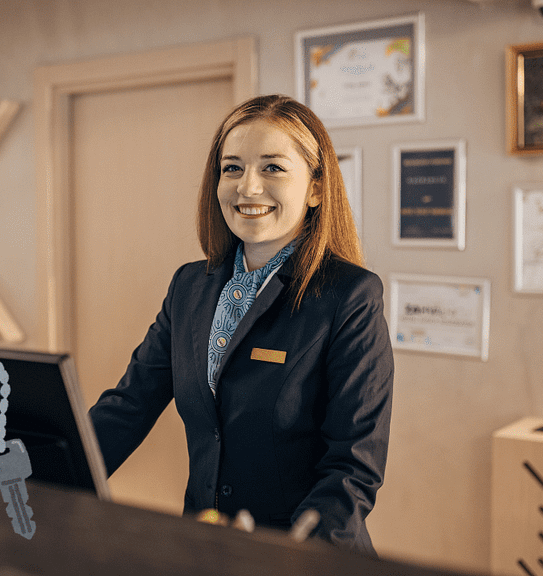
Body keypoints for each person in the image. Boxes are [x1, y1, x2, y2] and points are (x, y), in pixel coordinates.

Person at [88, 94, 394, 555]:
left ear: (315, 189)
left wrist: (291, 557)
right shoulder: (190, 286)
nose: (247, 188)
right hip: (206, 545)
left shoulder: (350, 296)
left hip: (303, 557)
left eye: (272, 168)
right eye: (232, 168)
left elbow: (352, 468)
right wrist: (36, 475)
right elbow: (128, 407)